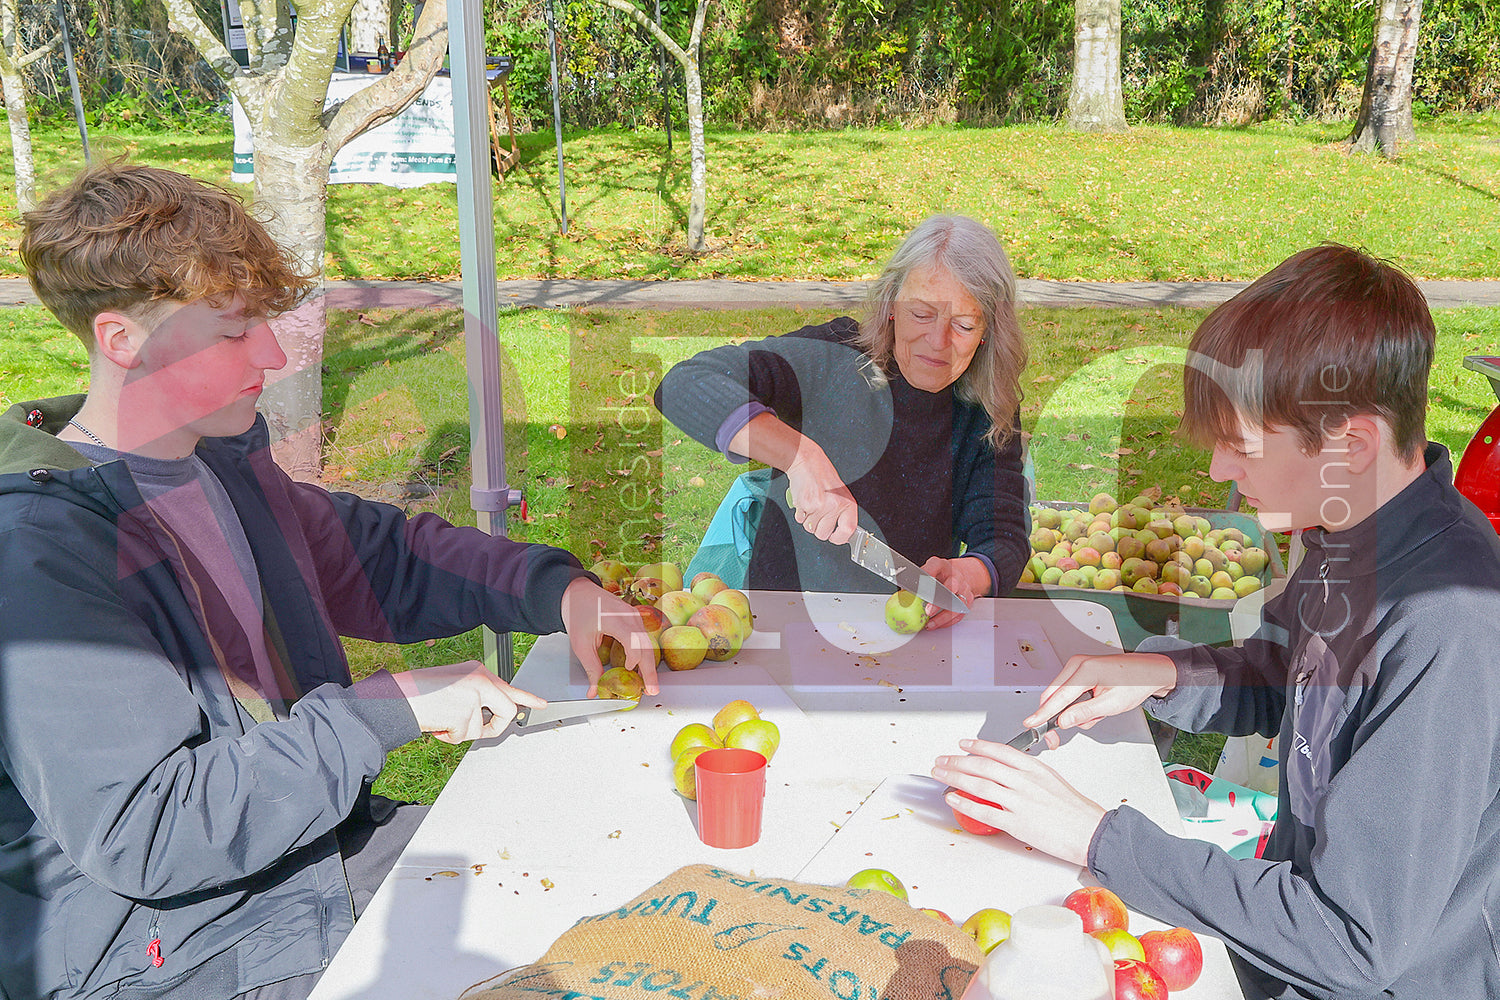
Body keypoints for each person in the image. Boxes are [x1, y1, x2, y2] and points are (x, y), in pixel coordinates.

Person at [0, 161, 656, 1000]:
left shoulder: (216, 467)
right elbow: (149, 831)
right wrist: (385, 710)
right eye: (233, 332)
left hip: (306, 856)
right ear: (122, 340)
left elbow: (385, 558)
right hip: (168, 951)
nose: (270, 355)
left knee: (603, 879)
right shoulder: (40, 555)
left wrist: (558, 590)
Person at [932, 243, 1500, 999]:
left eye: (1241, 447)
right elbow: (1290, 675)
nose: (1216, 473)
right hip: (1279, 943)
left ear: (1352, 444)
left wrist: (1096, 838)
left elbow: (1354, 942)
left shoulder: (1446, 626)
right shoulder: (1348, 524)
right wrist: (1162, 673)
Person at [653, 214, 1030, 628]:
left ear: (988, 332)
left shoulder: (985, 408)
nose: (938, 342)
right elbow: (687, 383)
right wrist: (800, 457)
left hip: (906, 635)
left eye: (962, 324)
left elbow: (1004, 536)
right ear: (890, 307)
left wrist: (969, 574)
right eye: (921, 314)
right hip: (784, 622)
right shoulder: (832, 357)